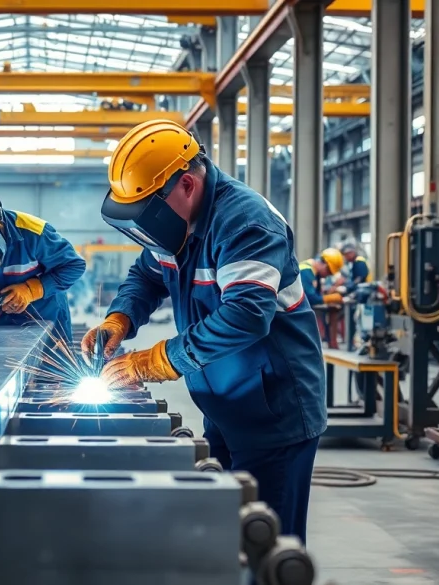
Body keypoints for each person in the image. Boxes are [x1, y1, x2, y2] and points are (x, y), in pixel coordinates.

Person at [80, 120, 326, 544]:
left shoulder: (246, 225)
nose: (145, 226)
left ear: (188, 184)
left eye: (147, 211)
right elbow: (146, 275)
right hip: (223, 403)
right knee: (226, 542)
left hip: (273, 410)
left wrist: (156, 362)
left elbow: (246, 315)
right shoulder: (173, 222)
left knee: (266, 545)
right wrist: (119, 318)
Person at [0, 187, 86, 345]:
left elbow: (74, 265)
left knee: (50, 369)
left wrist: (32, 290)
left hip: (46, 326)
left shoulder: (34, 233)